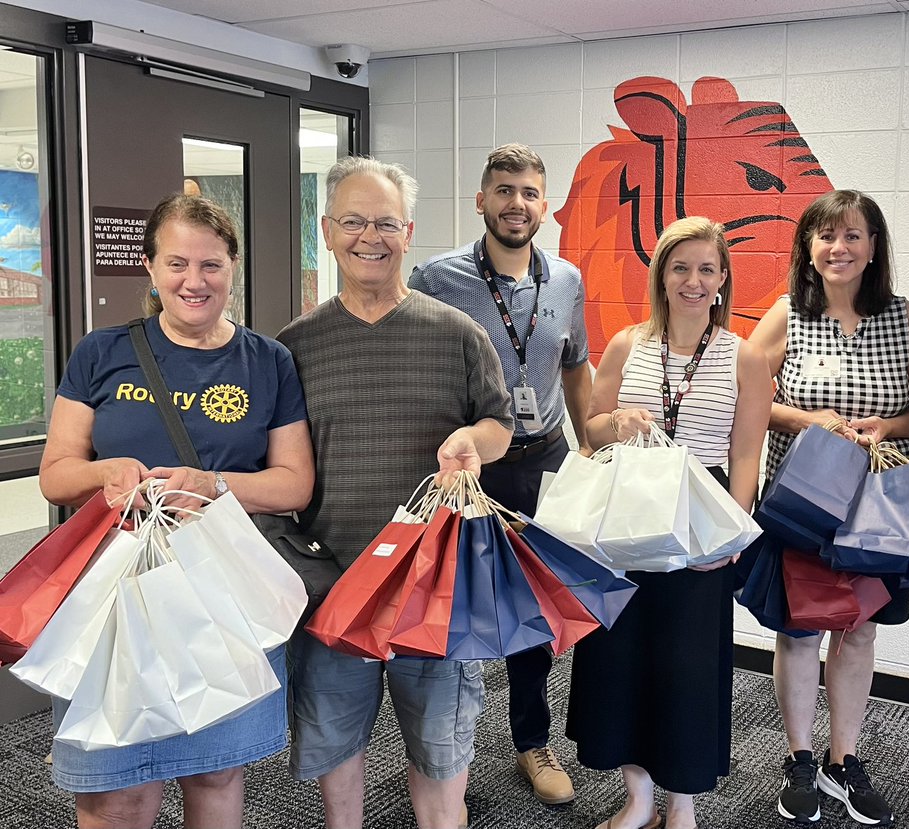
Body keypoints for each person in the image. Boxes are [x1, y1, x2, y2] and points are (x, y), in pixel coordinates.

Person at [38, 193, 315, 829]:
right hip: (114, 595)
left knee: (215, 774)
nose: (194, 281)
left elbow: (293, 485)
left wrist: (213, 484)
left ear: (233, 267)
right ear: (150, 268)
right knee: (116, 791)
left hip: (225, 588)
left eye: (211, 265)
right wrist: (105, 474)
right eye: (177, 264)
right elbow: (57, 476)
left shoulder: (267, 362)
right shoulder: (101, 353)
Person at [277, 155, 514, 829]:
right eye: (353, 220)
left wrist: (475, 439)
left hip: (435, 592)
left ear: (409, 232)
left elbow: (500, 424)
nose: (369, 236)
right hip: (334, 590)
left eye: (385, 222)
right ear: (326, 230)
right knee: (337, 758)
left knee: (441, 766)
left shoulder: (458, 333)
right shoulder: (292, 347)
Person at [747, 190, 909, 826]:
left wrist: (886, 428)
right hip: (804, 499)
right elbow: (749, 400)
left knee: (857, 630)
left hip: (880, 506)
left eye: (853, 236)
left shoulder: (903, 316)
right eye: (827, 236)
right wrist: (814, 421)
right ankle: (800, 760)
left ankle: (844, 760)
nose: (840, 247)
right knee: (801, 627)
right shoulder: (786, 315)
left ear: (873, 248)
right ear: (808, 250)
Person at [566, 216, 772, 829]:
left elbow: (744, 452)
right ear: (661, 274)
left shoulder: (746, 355)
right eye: (680, 267)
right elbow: (591, 433)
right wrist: (618, 423)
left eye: (706, 269)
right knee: (620, 656)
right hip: (628, 510)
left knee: (686, 664)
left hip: (700, 516)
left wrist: (733, 533)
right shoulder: (629, 344)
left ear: (722, 279)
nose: (693, 280)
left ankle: (680, 804)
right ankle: (639, 798)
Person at [408, 143, 591, 807]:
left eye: (530, 192)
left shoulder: (567, 279)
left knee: (532, 615)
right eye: (504, 189)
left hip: (544, 459)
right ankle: (440, 753)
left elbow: (575, 368)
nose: (518, 202)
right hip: (468, 466)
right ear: (481, 200)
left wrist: (592, 444)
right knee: (451, 608)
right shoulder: (435, 277)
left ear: (545, 205)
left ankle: (530, 740)